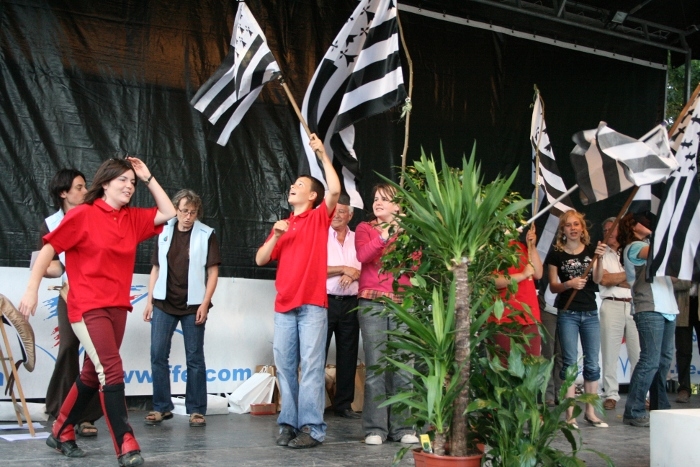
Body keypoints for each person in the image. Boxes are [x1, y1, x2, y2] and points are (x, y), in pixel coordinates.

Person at [19, 157, 175, 466]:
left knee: (92, 372)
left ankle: (61, 429)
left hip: (117, 308)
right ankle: (126, 443)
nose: (129, 186)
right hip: (87, 306)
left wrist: (148, 177)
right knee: (112, 370)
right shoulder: (83, 215)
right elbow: (49, 249)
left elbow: (169, 212)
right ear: (104, 183)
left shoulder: (132, 218)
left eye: (132, 182)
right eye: (123, 180)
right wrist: (31, 289)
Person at [255, 134, 340, 449]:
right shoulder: (283, 225)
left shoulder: (318, 217)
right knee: (286, 368)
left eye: (300, 184)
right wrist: (276, 236)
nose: (293, 186)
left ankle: (312, 429)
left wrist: (322, 155)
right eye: (293, 183)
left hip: (312, 306)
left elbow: (335, 190)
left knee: (312, 368)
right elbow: (260, 259)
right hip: (284, 307)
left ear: (313, 196)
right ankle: (288, 424)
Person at [24, 169, 104, 437]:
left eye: (85, 186)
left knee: (95, 354)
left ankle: (87, 416)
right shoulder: (51, 224)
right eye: (79, 187)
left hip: (97, 294)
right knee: (68, 347)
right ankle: (63, 410)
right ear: (63, 193)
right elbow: (53, 265)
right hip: (69, 294)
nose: (85, 191)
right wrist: (43, 267)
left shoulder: (95, 215)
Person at [143, 189, 220, 428]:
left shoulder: (206, 234)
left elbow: (213, 272)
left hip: (193, 304)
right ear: (176, 209)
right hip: (163, 302)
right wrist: (149, 300)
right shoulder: (164, 230)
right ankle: (161, 407)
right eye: (184, 211)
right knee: (158, 354)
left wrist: (205, 303)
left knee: (195, 358)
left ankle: (196, 410)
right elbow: (156, 268)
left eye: (193, 212)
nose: (188, 217)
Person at [355, 183, 419, 446]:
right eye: (375, 198)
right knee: (376, 366)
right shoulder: (365, 228)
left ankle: (404, 426)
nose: (378, 202)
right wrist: (386, 234)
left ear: (398, 206)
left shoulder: (411, 232)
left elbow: (415, 265)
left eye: (385, 199)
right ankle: (375, 428)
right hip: (372, 301)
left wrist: (401, 233)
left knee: (404, 366)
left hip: (404, 302)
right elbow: (364, 255)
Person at [545, 210, 606, 428]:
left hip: (590, 312)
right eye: (568, 225)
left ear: (582, 228)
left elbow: (598, 279)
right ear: (562, 230)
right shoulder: (556, 254)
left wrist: (599, 259)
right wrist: (569, 284)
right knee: (569, 363)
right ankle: (570, 415)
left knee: (592, 363)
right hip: (567, 312)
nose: (573, 228)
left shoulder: (591, 250)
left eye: (576, 224)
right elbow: (553, 286)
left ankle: (591, 411)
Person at [618, 212, 678, 427]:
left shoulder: (650, 245)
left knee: (663, 361)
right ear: (633, 226)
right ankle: (633, 411)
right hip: (649, 306)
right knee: (650, 360)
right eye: (644, 223)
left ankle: (660, 406)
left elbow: (672, 274)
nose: (649, 225)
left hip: (668, 306)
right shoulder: (634, 247)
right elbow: (658, 252)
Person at [325, 195, 362, 419]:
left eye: (341, 211)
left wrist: (354, 272)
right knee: (317, 353)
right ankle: (314, 404)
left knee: (348, 354)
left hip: (351, 303)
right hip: (325, 301)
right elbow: (314, 268)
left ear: (350, 215)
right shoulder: (320, 236)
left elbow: (367, 267)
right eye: (334, 211)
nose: (336, 215)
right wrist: (343, 269)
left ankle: (344, 405)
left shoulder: (359, 238)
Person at [598, 217, 639, 411]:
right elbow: (604, 280)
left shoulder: (632, 250)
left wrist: (617, 279)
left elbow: (638, 280)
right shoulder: (601, 253)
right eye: (605, 230)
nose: (609, 232)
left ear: (620, 230)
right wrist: (628, 277)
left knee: (638, 353)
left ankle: (640, 394)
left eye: (612, 229)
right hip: (611, 303)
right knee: (609, 353)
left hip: (634, 304)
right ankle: (611, 394)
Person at [493, 226, 543, 356]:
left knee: (532, 362)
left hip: (529, 316)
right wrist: (522, 275)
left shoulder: (522, 247)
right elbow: (493, 281)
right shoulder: (491, 249)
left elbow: (538, 273)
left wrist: (532, 247)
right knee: (504, 363)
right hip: (503, 317)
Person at [674, 281, 699, 403]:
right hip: (682, 305)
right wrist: (690, 280)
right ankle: (684, 388)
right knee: (683, 350)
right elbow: (672, 282)